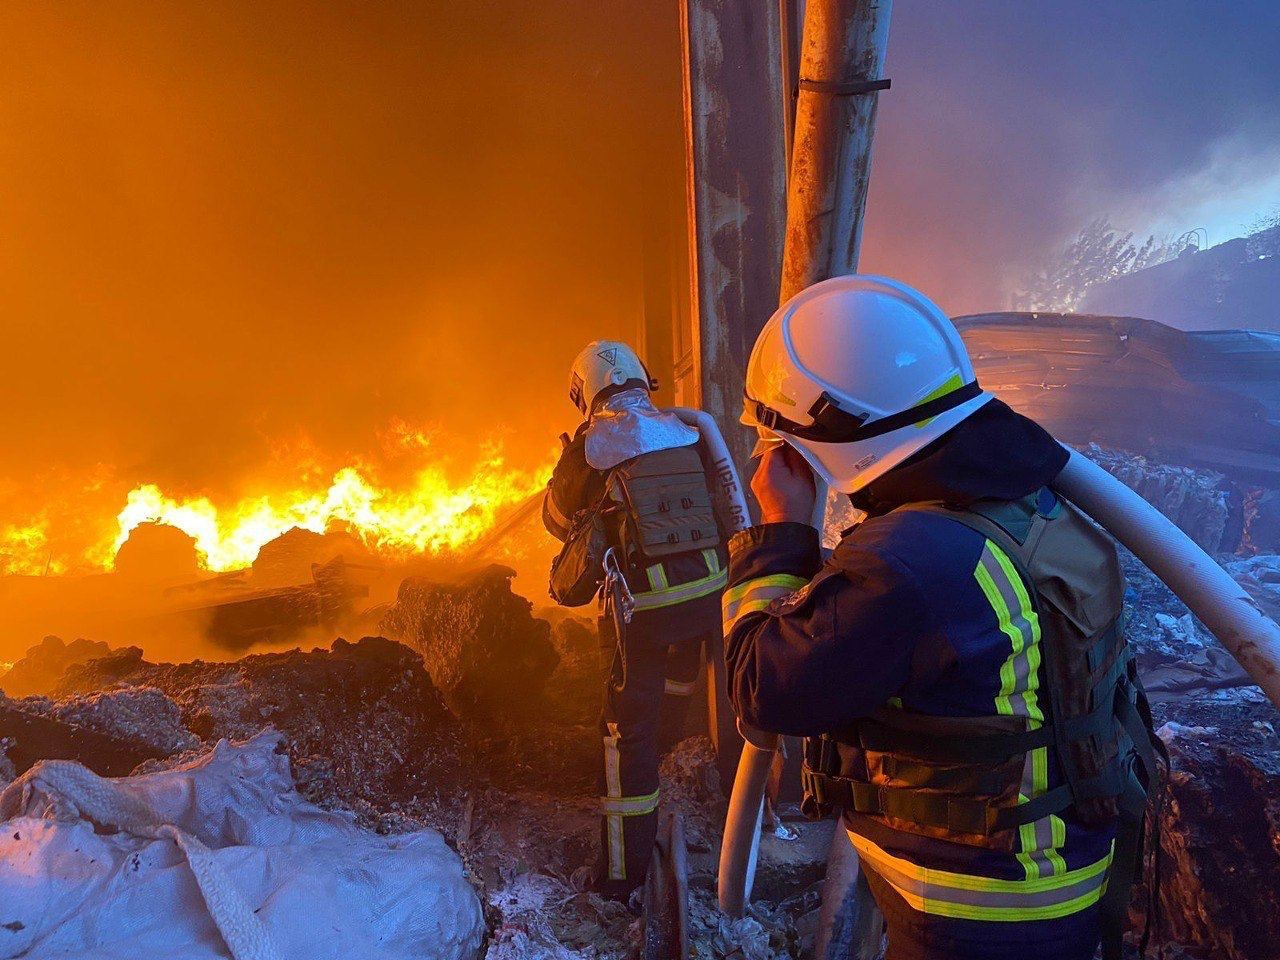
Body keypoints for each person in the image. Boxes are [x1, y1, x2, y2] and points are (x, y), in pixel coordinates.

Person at [723, 276, 1161, 960]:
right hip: (1055, 881)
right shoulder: (1014, 495)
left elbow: (762, 692)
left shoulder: (907, 563)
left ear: (824, 433)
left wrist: (781, 530)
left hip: (975, 916)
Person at [544, 340, 734, 902]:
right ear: (642, 380)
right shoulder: (687, 426)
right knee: (694, 670)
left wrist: (571, 463)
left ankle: (621, 874)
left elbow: (557, 521)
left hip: (645, 608)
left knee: (625, 732)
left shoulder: (591, 443)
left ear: (585, 391)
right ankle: (728, 787)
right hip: (712, 594)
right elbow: (725, 499)